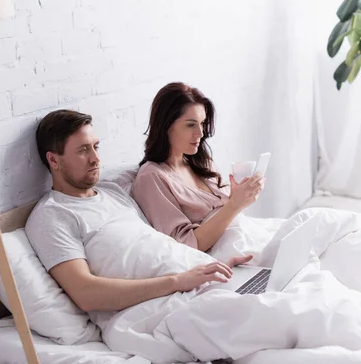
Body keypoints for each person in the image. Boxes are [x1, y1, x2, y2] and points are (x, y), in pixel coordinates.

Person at [25, 109, 251, 316]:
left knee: (265, 288)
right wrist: (178, 281)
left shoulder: (113, 192)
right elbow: (86, 293)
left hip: (192, 285)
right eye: (83, 150)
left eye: (96, 146)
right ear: (53, 159)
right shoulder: (52, 215)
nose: (95, 158)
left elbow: (156, 248)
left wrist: (209, 266)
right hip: (153, 309)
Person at [132, 82, 265, 252]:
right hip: (225, 256)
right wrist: (235, 205)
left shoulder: (200, 161)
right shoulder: (151, 177)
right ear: (166, 126)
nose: (200, 133)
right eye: (190, 124)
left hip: (247, 237)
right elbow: (185, 245)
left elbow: (226, 213)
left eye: (202, 123)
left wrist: (242, 195)